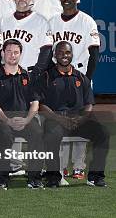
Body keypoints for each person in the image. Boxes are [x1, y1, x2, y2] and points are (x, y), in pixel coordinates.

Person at [37, 41, 109, 188]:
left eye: (68, 52)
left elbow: (89, 104)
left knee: (103, 133)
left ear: (72, 55)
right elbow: (41, 106)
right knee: (51, 136)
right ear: (55, 55)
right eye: (61, 52)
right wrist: (59, 119)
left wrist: (82, 118)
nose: (64, 55)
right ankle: (53, 177)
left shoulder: (81, 78)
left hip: (78, 120)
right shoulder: (45, 77)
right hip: (55, 119)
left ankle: (95, 177)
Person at [49, 0, 101, 180]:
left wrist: (87, 80)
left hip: (80, 75)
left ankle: (79, 167)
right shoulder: (53, 21)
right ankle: (61, 166)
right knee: (60, 120)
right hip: (59, 78)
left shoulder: (87, 21)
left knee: (80, 122)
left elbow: (94, 53)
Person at [0, 39, 44, 189]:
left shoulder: (29, 77)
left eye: (16, 52)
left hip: (24, 119)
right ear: (2, 53)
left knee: (37, 132)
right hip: (1, 120)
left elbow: (35, 103)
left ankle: (35, 178)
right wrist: (7, 120)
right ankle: (0, 178)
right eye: (9, 51)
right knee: (4, 135)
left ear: (20, 54)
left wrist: (27, 120)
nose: (12, 55)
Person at [0, 0, 53, 77]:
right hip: (7, 75)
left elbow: (46, 51)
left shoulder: (41, 22)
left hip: (31, 72)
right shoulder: (4, 21)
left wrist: (36, 73)